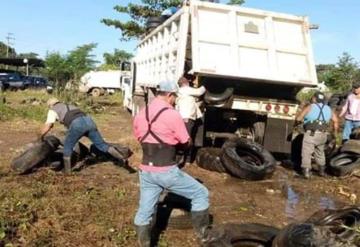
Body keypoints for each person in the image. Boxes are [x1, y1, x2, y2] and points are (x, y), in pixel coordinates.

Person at [133, 80, 210, 246]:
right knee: (201, 194)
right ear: (169, 95)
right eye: (175, 96)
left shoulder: (142, 113)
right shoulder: (172, 114)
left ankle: (144, 243)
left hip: (146, 170)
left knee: (145, 211)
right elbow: (185, 141)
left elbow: (139, 137)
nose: (175, 100)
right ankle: (204, 237)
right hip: (166, 170)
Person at [39, 98, 129, 174]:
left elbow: (49, 125)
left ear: (51, 105)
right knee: (102, 145)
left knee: (67, 146)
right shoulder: (70, 106)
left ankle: (67, 172)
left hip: (77, 125)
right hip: (90, 122)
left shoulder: (53, 110)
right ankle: (122, 158)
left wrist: (40, 136)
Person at [295, 91, 339, 179]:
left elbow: (299, 118)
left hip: (311, 134)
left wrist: (298, 124)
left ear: (314, 98)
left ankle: (306, 173)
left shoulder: (310, 106)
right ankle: (322, 171)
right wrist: (335, 135)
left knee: (307, 153)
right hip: (323, 135)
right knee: (320, 153)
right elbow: (336, 121)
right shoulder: (328, 109)